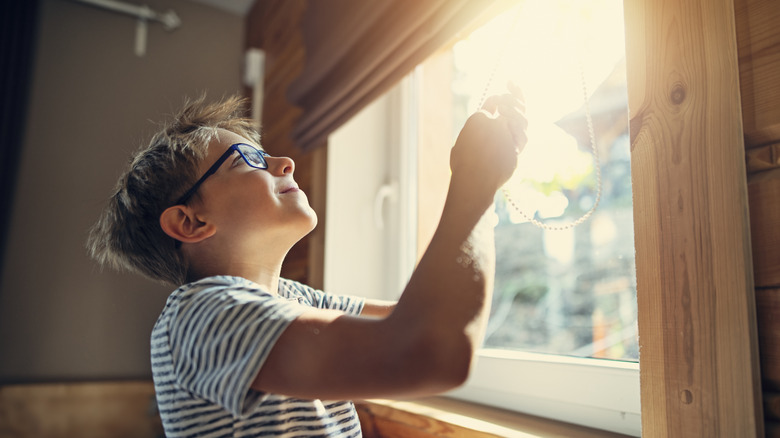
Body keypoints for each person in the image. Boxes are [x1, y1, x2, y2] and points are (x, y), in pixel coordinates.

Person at [87, 86, 527, 437]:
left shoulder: (295, 299)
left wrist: (482, 167)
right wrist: (476, 181)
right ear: (191, 220)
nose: (283, 162)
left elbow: (424, 319)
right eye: (248, 161)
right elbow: (431, 349)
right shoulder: (200, 314)